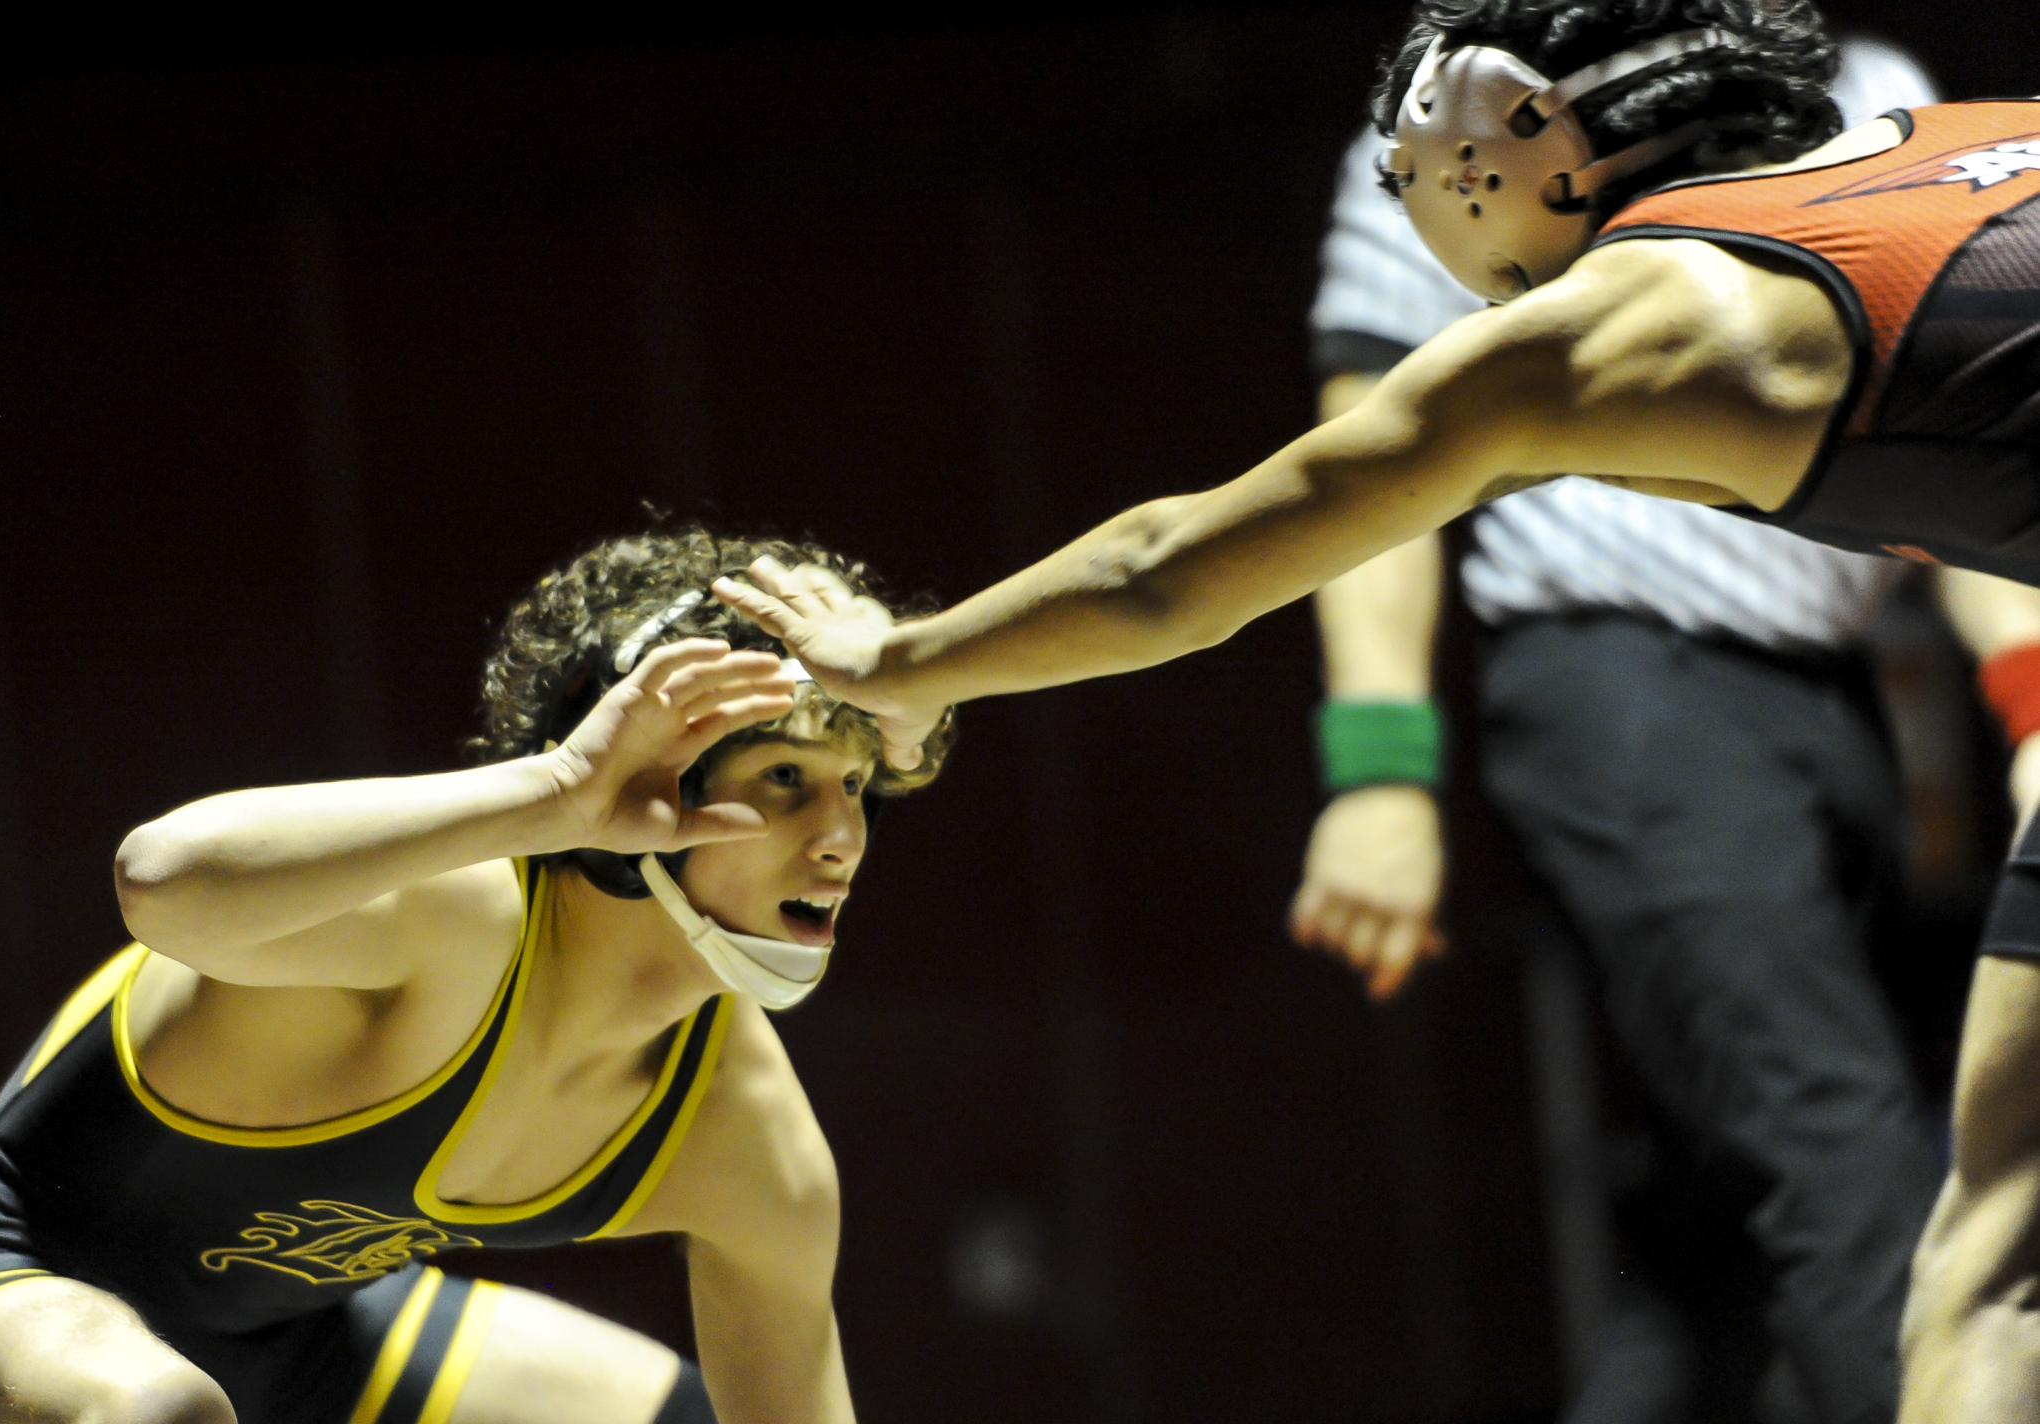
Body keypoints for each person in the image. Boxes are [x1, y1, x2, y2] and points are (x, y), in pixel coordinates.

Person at [708, 4, 2040, 1417]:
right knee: (1974, 1226)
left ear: (1496, 142)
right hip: (1666, 691)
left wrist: (902, 664)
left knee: (1965, 1242)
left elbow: (1170, 570)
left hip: (1731, 688)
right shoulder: (1950, 128)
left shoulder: (1600, 336)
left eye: (1417, 174)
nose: (1414, 219)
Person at [1294, 36, 1995, 1424]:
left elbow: (1969, 424)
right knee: (1837, 1158)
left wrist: (2028, 703)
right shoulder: (1455, 115)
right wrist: (1378, 771)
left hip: (1830, 683)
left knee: (1719, 1241)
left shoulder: (1863, 87)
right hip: (1622, 679)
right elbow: (1363, 455)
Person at [0, 526, 952, 1424]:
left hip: (299, 1338)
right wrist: (557, 790)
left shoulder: (745, 1132)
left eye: (855, 784)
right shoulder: (464, 917)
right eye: (786, 776)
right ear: (648, 774)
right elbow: (160, 880)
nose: (842, 838)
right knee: (159, 1410)